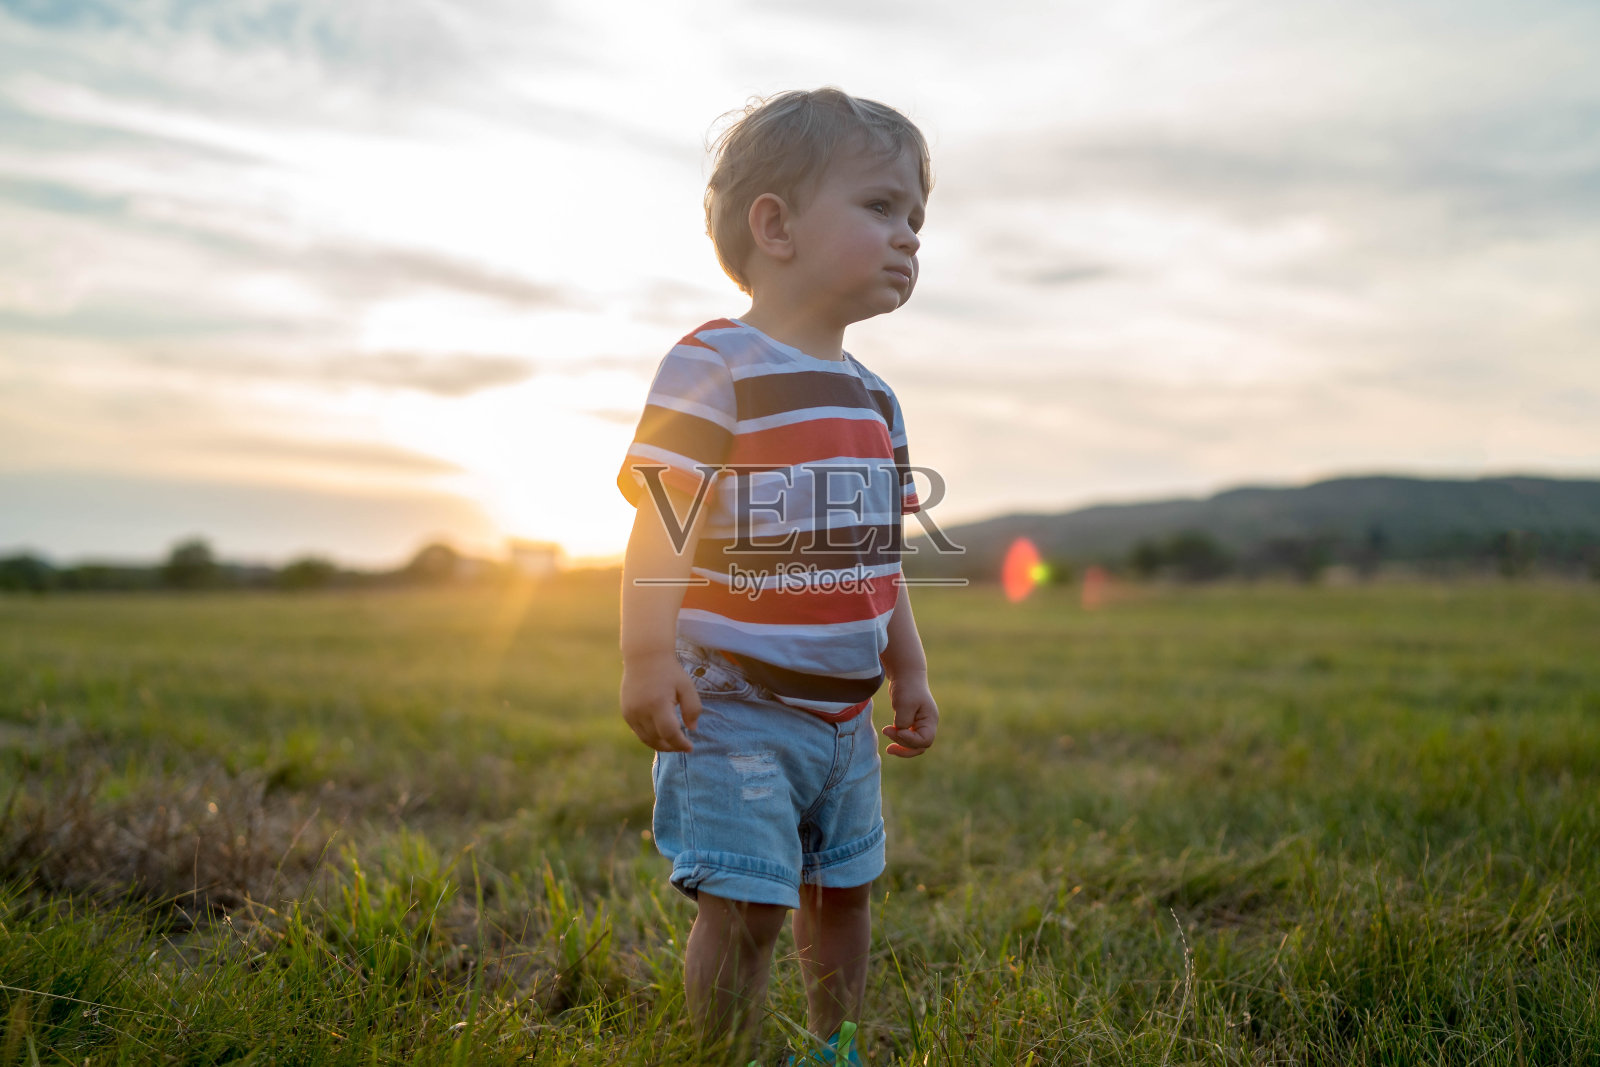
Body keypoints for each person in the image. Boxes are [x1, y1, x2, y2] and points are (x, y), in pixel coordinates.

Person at [617, 87, 940, 1065]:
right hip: (739, 707)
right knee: (749, 906)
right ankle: (727, 1051)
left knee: (843, 896)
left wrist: (909, 669)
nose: (910, 238)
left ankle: (830, 1047)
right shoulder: (714, 364)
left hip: (845, 724)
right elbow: (662, 518)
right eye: (881, 207)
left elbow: (878, 557)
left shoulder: (873, 398)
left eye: (917, 220)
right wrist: (643, 655)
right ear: (776, 225)